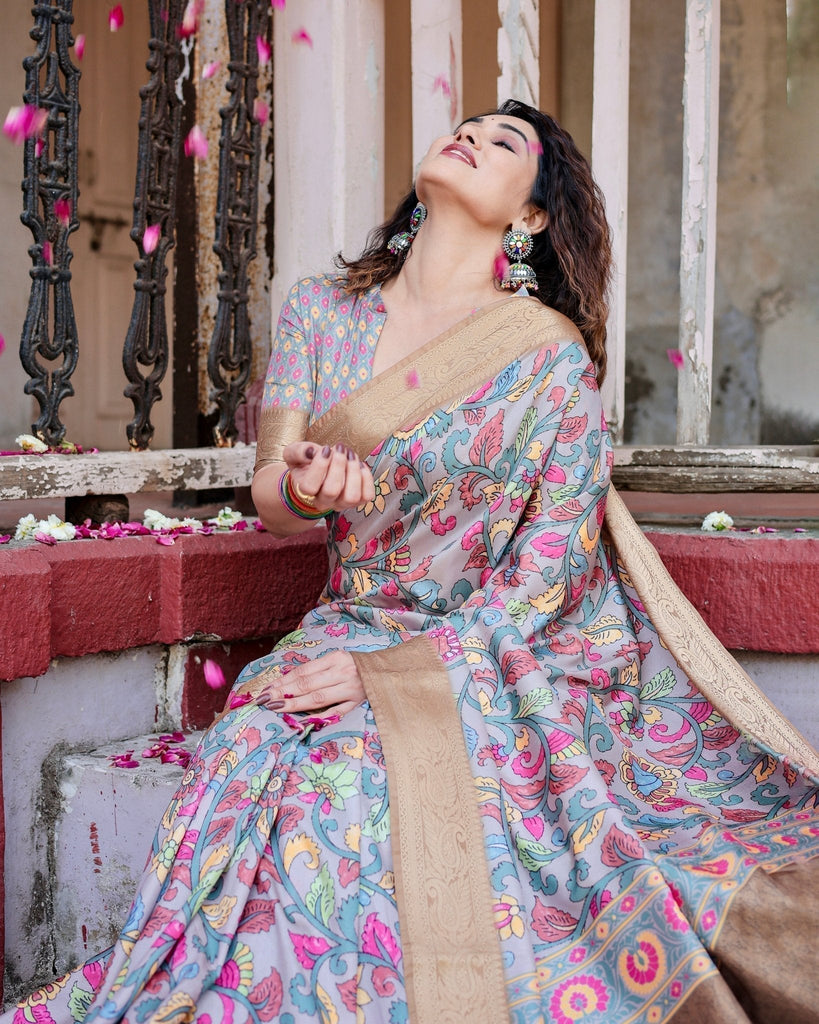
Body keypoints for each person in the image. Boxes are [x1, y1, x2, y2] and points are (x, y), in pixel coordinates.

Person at [5, 99, 819, 1024]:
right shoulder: (322, 313)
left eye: (503, 141)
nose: (469, 135)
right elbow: (271, 496)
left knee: (353, 781)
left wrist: (390, 677)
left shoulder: (548, 359)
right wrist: (307, 489)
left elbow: (545, 578)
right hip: (352, 621)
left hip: (499, 649)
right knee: (263, 745)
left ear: (530, 215)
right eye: (465, 126)